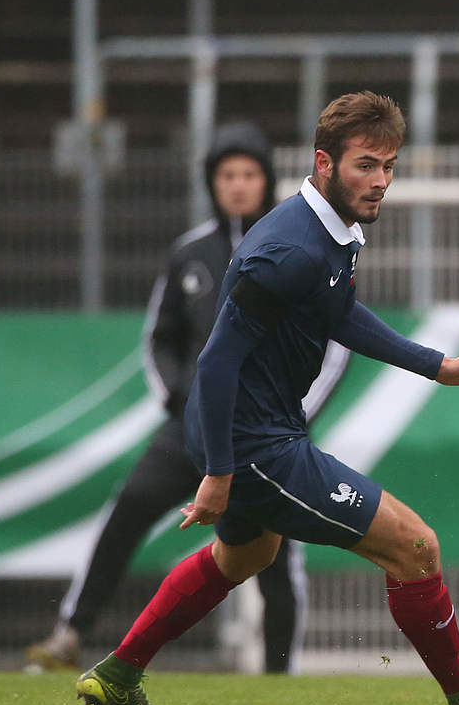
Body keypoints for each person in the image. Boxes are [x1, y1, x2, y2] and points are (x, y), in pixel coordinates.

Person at [72, 91, 459, 705]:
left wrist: (439, 366)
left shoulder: (332, 229)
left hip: (264, 429)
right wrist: (219, 472)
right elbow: (214, 360)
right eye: (365, 166)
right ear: (324, 163)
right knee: (415, 546)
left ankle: (118, 674)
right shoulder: (287, 250)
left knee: (247, 554)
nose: (380, 182)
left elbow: (339, 315)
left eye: (388, 166)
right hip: (253, 444)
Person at [27, 121, 347, 675]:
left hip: (273, 434)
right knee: (125, 513)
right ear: (213, 182)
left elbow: (336, 344)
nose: (239, 184)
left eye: (249, 173)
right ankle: (70, 634)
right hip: (192, 430)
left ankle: (279, 674)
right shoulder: (189, 253)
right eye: (227, 174)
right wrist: (182, 399)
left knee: (277, 555)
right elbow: (159, 338)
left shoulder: (300, 246)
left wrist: (292, 415)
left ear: (267, 180)